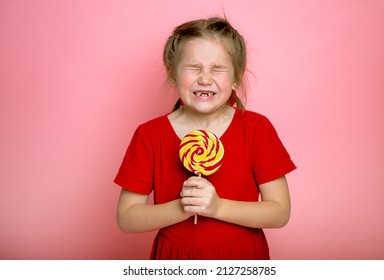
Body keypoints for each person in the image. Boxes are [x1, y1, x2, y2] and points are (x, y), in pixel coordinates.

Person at [114, 17, 296, 260]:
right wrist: (183, 207)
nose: (205, 78)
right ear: (172, 74)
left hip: (241, 258)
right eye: (194, 67)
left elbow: (280, 212)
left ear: (235, 78)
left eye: (217, 68)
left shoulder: (256, 128)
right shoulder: (149, 134)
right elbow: (127, 218)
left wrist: (217, 207)